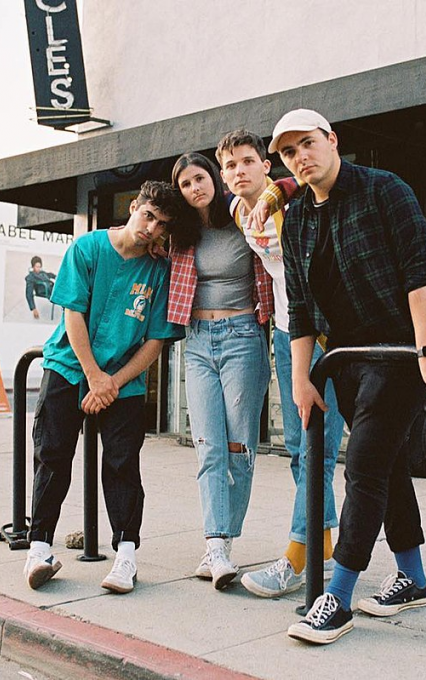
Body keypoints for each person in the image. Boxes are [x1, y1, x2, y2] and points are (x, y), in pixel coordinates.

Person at [266, 109, 426, 645]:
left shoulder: (384, 190)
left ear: (332, 140)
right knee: (388, 466)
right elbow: (301, 308)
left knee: (363, 467)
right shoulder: (299, 219)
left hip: (400, 354)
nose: (301, 157)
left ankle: (338, 596)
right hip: (347, 360)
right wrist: (301, 378)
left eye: (308, 144)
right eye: (288, 153)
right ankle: (414, 577)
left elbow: (420, 273)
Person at [23, 181, 184, 594]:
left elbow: (156, 340)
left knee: (122, 463)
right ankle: (38, 547)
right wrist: (95, 376)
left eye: (162, 224)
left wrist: (112, 381)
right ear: (133, 207)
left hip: (123, 382)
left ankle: (126, 556)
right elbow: (73, 313)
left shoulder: (159, 269)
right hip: (69, 367)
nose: (151, 228)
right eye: (148, 215)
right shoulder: (89, 248)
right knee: (52, 453)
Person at [215, 129, 344, 598]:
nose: (239, 171)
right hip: (290, 332)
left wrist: (276, 191)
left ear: (266, 166)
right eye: (230, 166)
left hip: (329, 331)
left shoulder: (291, 200)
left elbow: (299, 184)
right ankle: (323, 546)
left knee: (317, 448)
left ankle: (299, 553)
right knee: (298, 445)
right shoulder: (235, 209)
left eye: (249, 161)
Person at [167, 152, 272, 590]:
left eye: (200, 178)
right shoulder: (182, 233)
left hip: (243, 337)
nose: (195, 188)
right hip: (198, 342)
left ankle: (225, 538)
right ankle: (216, 547)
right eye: (186, 184)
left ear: (216, 177)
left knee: (238, 447)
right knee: (207, 445)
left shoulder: (244, 217)